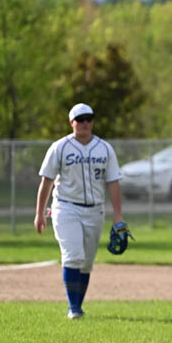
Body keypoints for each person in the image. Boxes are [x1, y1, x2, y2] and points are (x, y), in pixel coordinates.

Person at [34, 103, 124, 319]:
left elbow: (113, 182)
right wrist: (39, 213)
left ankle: (77, 304)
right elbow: (46, 181)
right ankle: (74, 308)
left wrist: (118, 216)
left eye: (88, 119)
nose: (85, 123)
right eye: (80, 119)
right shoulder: (60, 147)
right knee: (73, 256)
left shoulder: (104, 148)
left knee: (86, 263)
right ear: (71, 122)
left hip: (95, 210)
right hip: (66, 207)